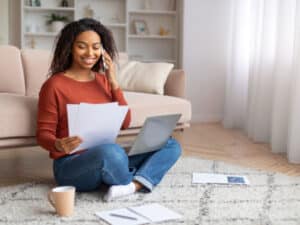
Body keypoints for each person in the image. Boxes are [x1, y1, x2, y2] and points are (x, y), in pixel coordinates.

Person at [36, 18, 181, 201]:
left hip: (110, 154)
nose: (90, 52)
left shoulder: (104, 81)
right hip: (71, 165)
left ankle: (132, 186)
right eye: (82, 46)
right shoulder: (54, 85)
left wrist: (113, 82)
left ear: (103, 50)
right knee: (111, 152)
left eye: (96, 47)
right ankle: (136, 178)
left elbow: (125, 122)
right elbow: (43, 134)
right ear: (70, 48)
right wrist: (58, 144)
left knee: (169, 144)